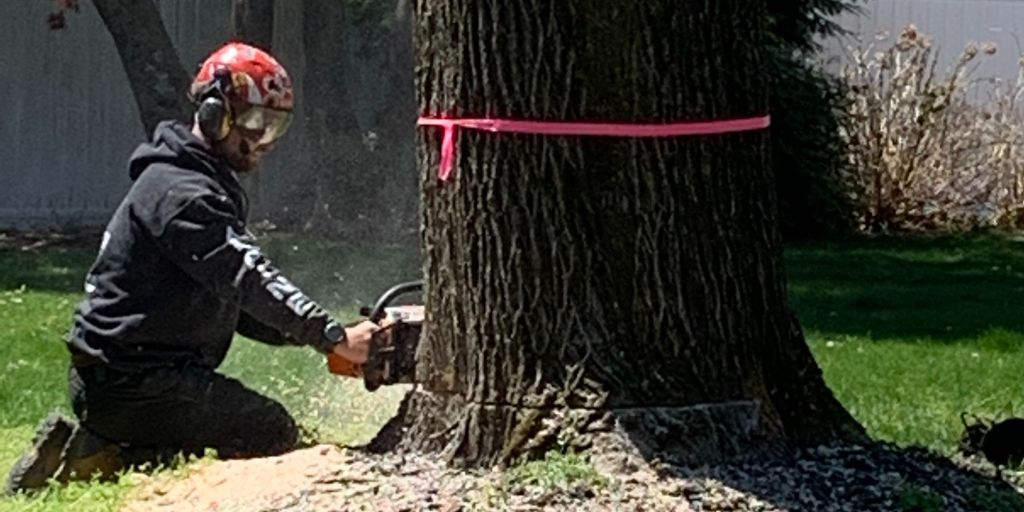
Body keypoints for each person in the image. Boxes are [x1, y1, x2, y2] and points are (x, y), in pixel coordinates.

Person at [5, 41, 378, 495]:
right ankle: (95, 453)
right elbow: (249, 277)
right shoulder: (181, 195)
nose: (265, 141)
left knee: (257, 425)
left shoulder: (191, 182)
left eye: (276, 126)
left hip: (127, 379)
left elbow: (234, 298)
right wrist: (332, 335)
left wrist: (323, 344)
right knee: (271, 431)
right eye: (256, 122)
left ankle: (101, 441)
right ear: (213, 115)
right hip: (135, 383)